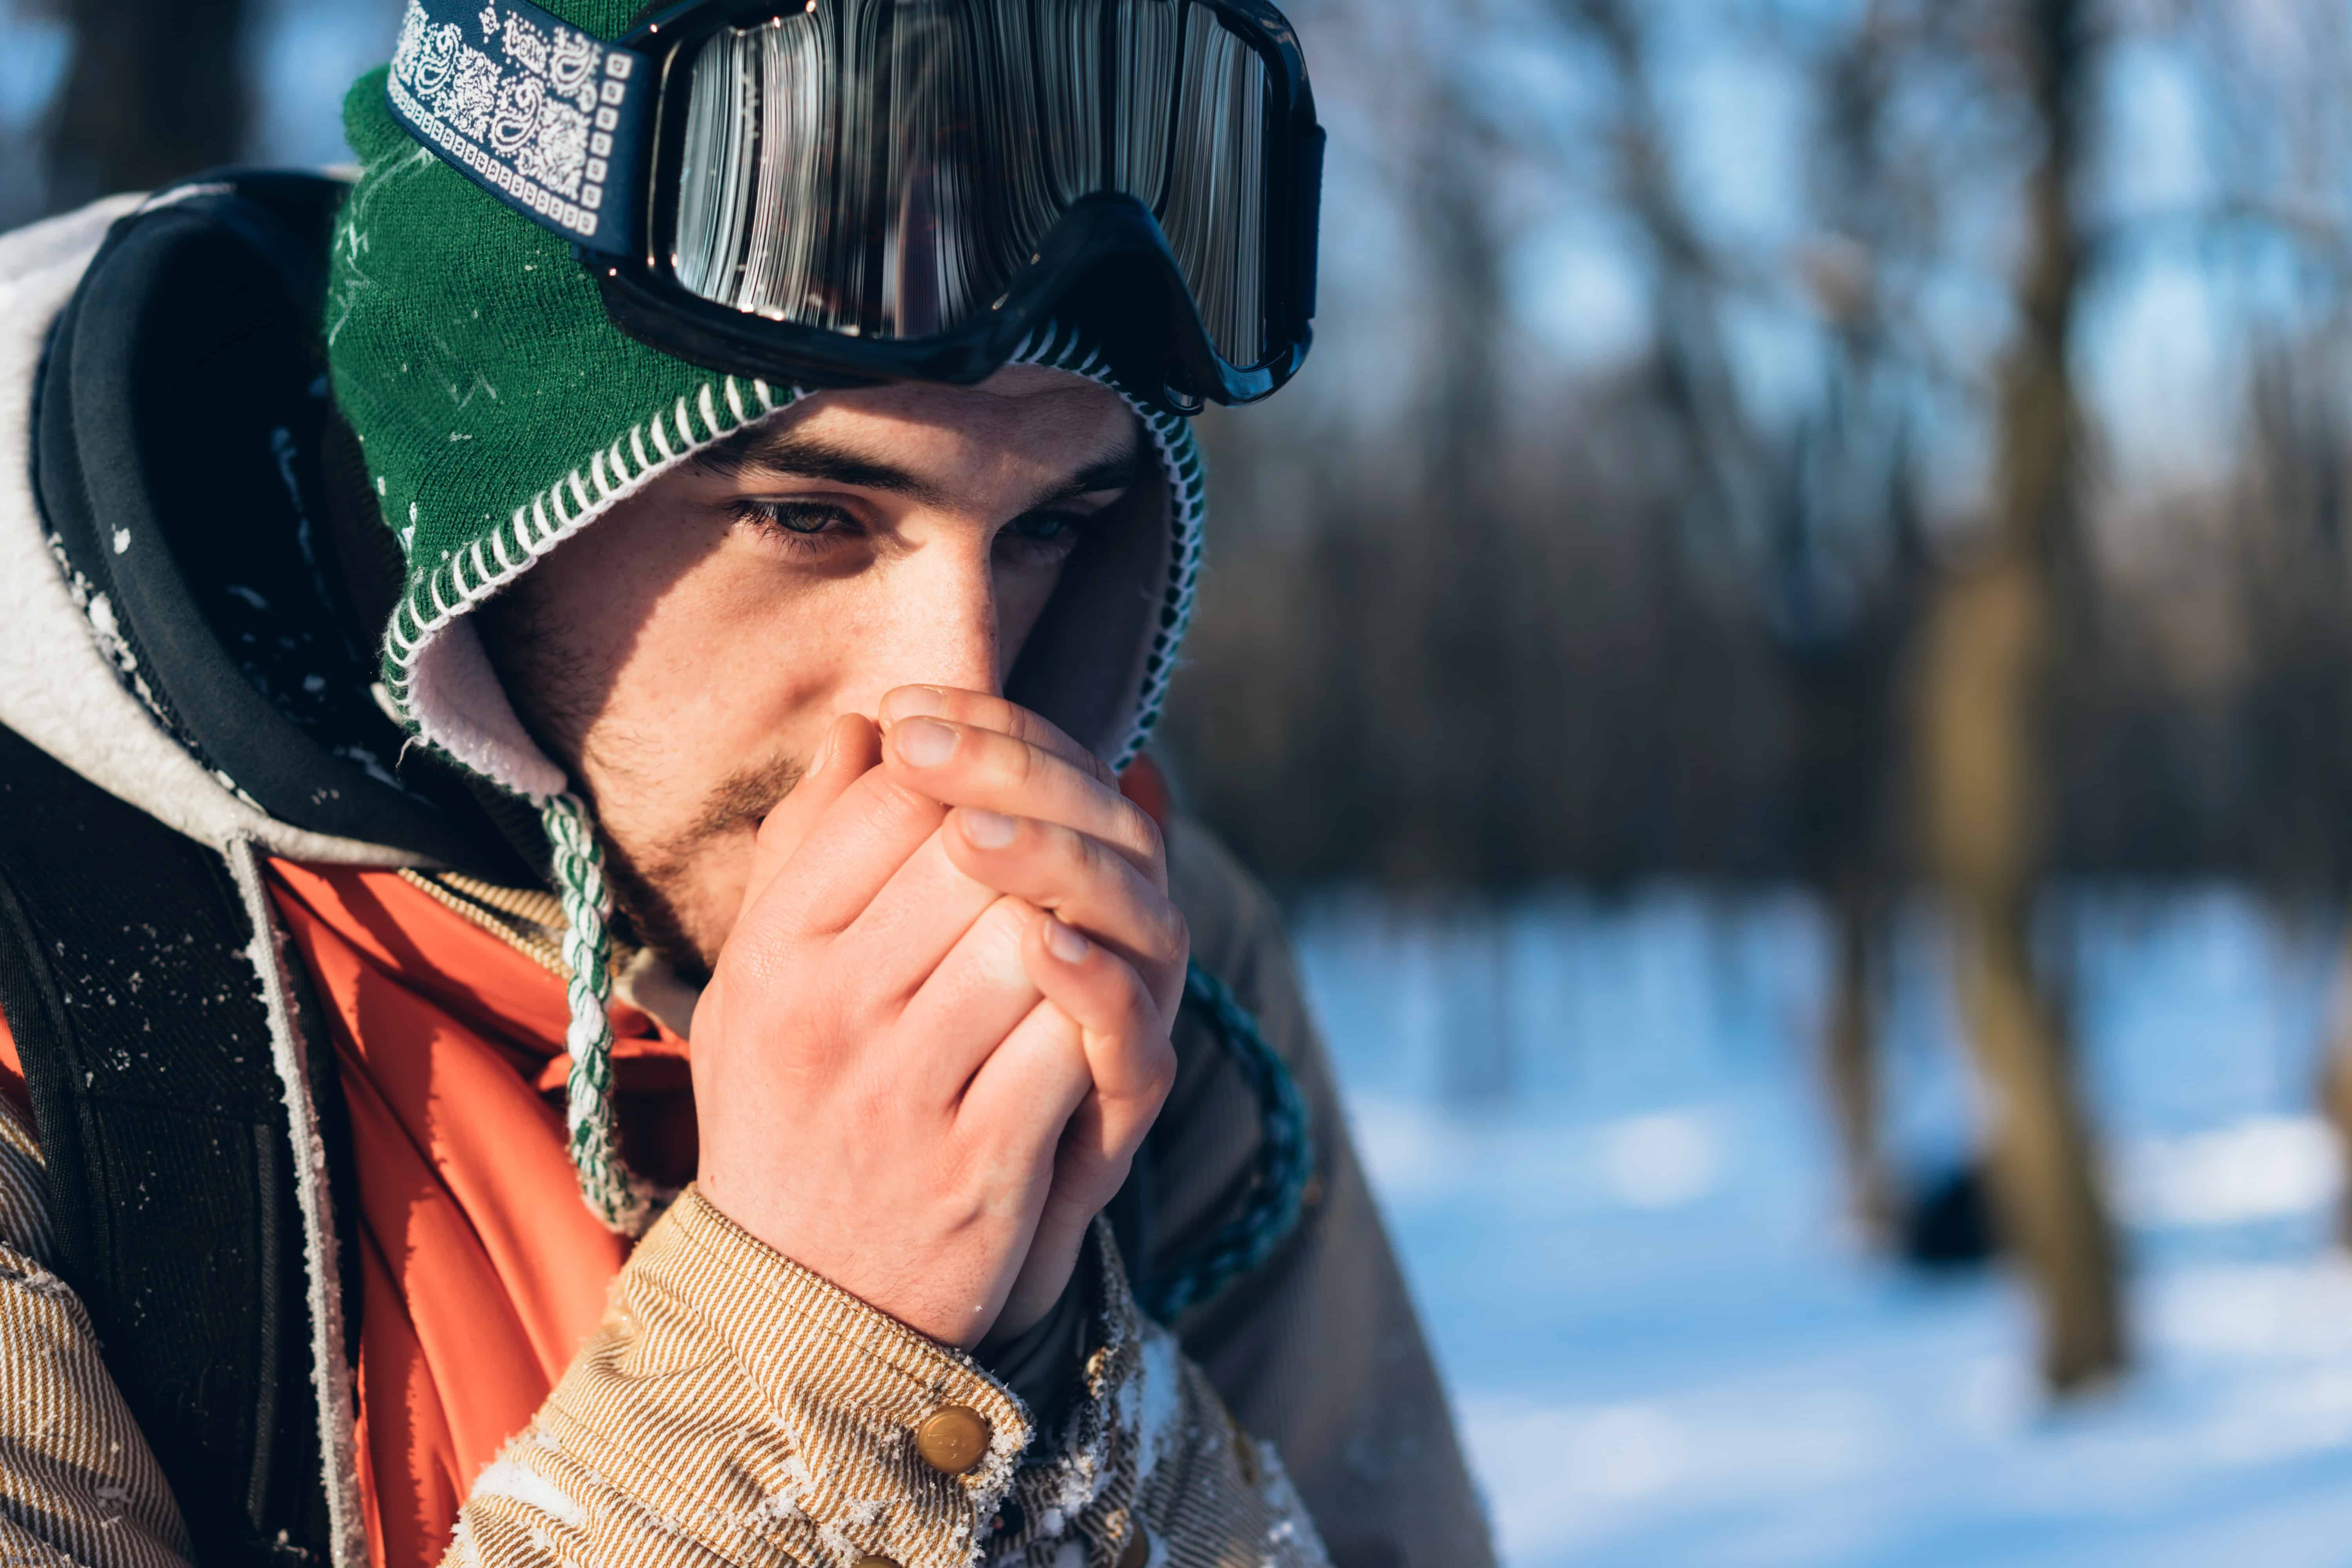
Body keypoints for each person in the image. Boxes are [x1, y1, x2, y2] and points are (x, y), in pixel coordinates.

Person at [0, 3, 1493, 1566]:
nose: (954, 694)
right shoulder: (44, 994)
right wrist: (816, 1362)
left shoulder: (1141, 962)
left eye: (1050, 527)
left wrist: (1061, 1404)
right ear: (482, 460)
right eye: (809, 514)